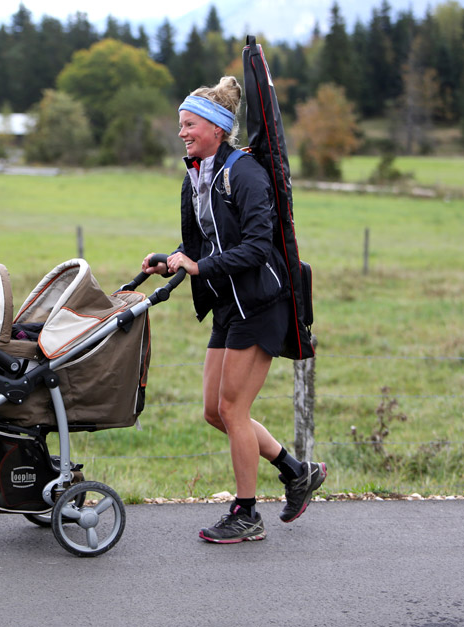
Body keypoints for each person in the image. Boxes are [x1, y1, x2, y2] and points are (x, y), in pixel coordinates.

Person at [142, 76, 326, 543]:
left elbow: (259, 248)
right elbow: (201, 242)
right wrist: (171, 259)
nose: (182, 133)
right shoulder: (198, 175)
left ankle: (247, 514)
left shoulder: (244, 174)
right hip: (228, 304)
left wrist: (199, 266)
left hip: (261, 303)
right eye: (180, 125)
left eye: (190, 124)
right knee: (214, 410)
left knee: (233, 408)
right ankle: (295, 471)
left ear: (218, 127)